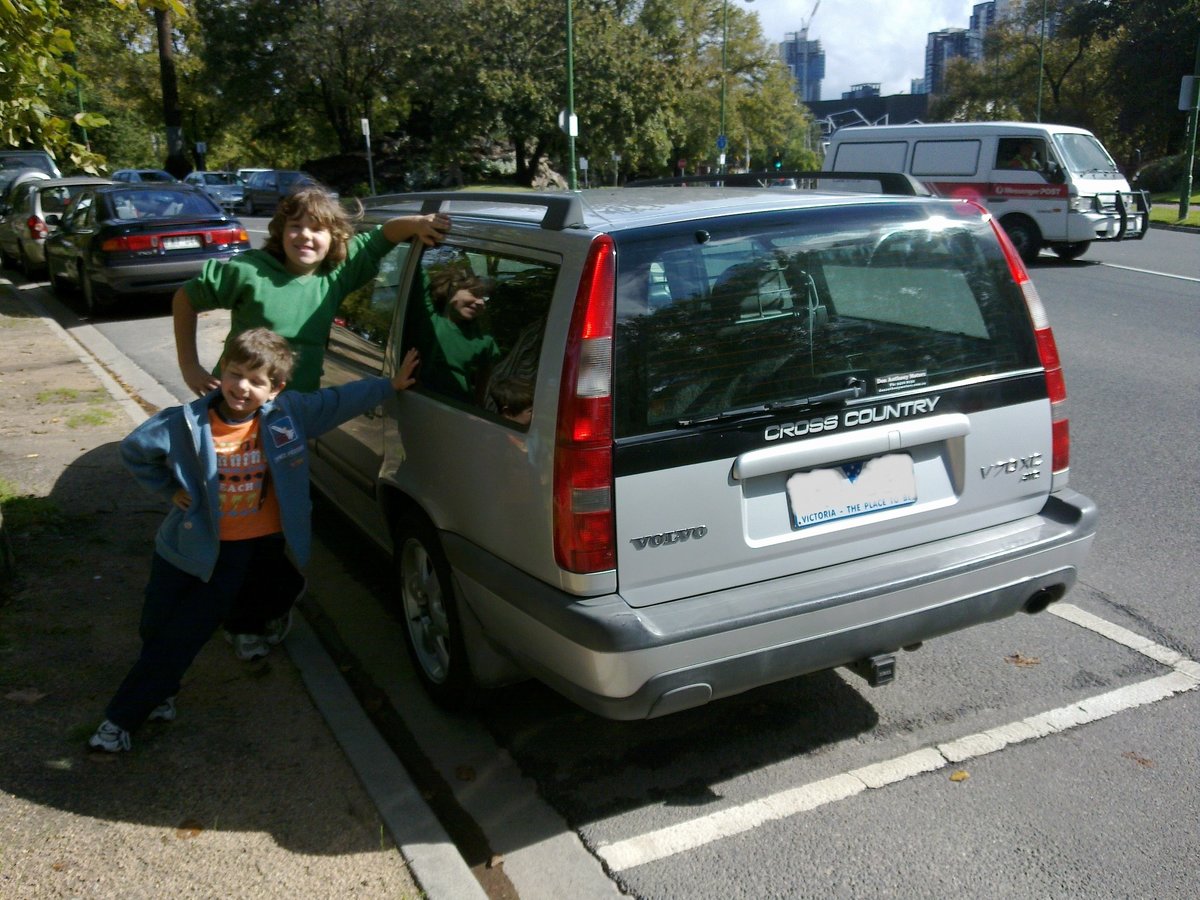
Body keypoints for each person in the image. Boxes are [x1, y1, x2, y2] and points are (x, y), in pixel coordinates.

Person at [88, 328, 420, 753]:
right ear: (221, 371)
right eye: (234, 373)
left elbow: (338, 401)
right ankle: (160, 693)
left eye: (256, 380)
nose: (241, 387)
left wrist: (388, 386)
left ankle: (120, 720)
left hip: (235, 551)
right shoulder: (185, 422)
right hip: (181, 546)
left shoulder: (288, 416)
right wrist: (169, 489)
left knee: (187, 631)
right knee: (155, 624)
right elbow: (135, 450)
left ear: (275, 388)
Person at [174, 184, 449, 395]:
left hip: (296, 412)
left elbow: (382, 236)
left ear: (335, 238)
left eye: (317, 229)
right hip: (237, 404)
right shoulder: (248, 271)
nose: (305, 235)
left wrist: (416, 224)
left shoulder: (337, 272)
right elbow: (185, 299)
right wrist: (189, 367)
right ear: (281, 233)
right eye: (296, 226)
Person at [412, 264, 501, 403]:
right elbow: (417, 271)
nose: (481, 302)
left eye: (485, 299)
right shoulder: (430, 318)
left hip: (459, 406)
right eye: (475, 294)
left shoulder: (483, 339)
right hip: (417, 399)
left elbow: (485, 373)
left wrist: (477, 405)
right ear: (452, 291)